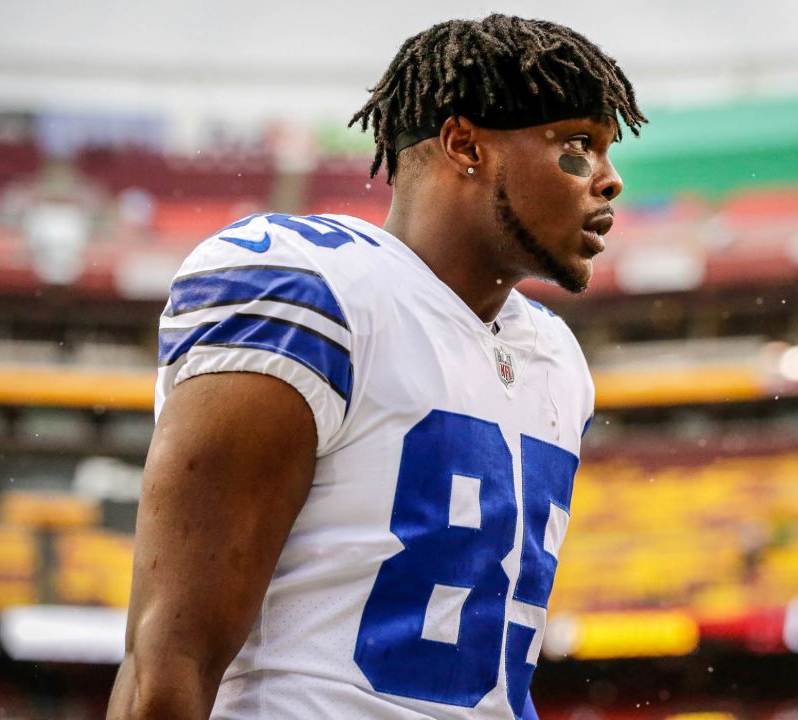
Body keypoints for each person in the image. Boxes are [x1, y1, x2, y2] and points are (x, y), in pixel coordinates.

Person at [106, 14, 645, 720]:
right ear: (464, 144)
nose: (609, 181)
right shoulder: (311, 287)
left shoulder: (554, 357)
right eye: (577, 146)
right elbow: (169, 664)